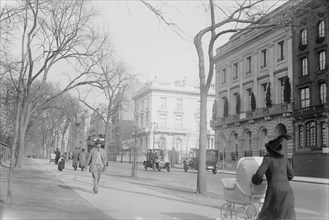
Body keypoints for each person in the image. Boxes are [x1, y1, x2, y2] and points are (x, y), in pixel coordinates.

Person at [252, 134, 295, 220]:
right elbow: (291, 175)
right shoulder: (284, 158)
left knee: (267, 215)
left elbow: (259, 174)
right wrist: (283, 179)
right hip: (288, 192)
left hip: (274, 192)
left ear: (270, 150)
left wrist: (256, 180)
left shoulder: (268, 158)